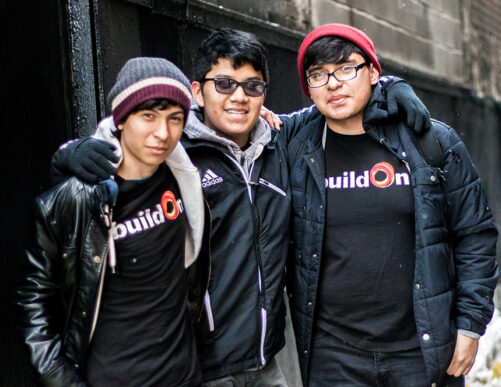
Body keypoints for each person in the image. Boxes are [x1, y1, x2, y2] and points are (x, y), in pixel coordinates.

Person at [48, 28, 429, 386]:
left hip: (265, 365)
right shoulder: (172, 155)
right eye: (225, 84)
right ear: (197, 92)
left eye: (252, 85)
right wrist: (70, 155)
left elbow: (338, 98)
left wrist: (388, 88)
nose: (238, 96)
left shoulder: (283, 144)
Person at [279, 23, 499, 387]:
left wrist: (471, 324)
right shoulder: (294, 145)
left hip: (420, 349)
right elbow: (218, 117)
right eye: (318, 75)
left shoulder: (429, 140)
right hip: (334, 355)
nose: (333, 83)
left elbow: (475, 235)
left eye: (346, 68)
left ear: (374, 73)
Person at [15, 57, 211, 386]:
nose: (162, 133)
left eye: (175, 118)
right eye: (148, 115)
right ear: (121, 120)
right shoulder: (75, 199)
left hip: (184, 376)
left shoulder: (184, 180)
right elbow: (33, 302)